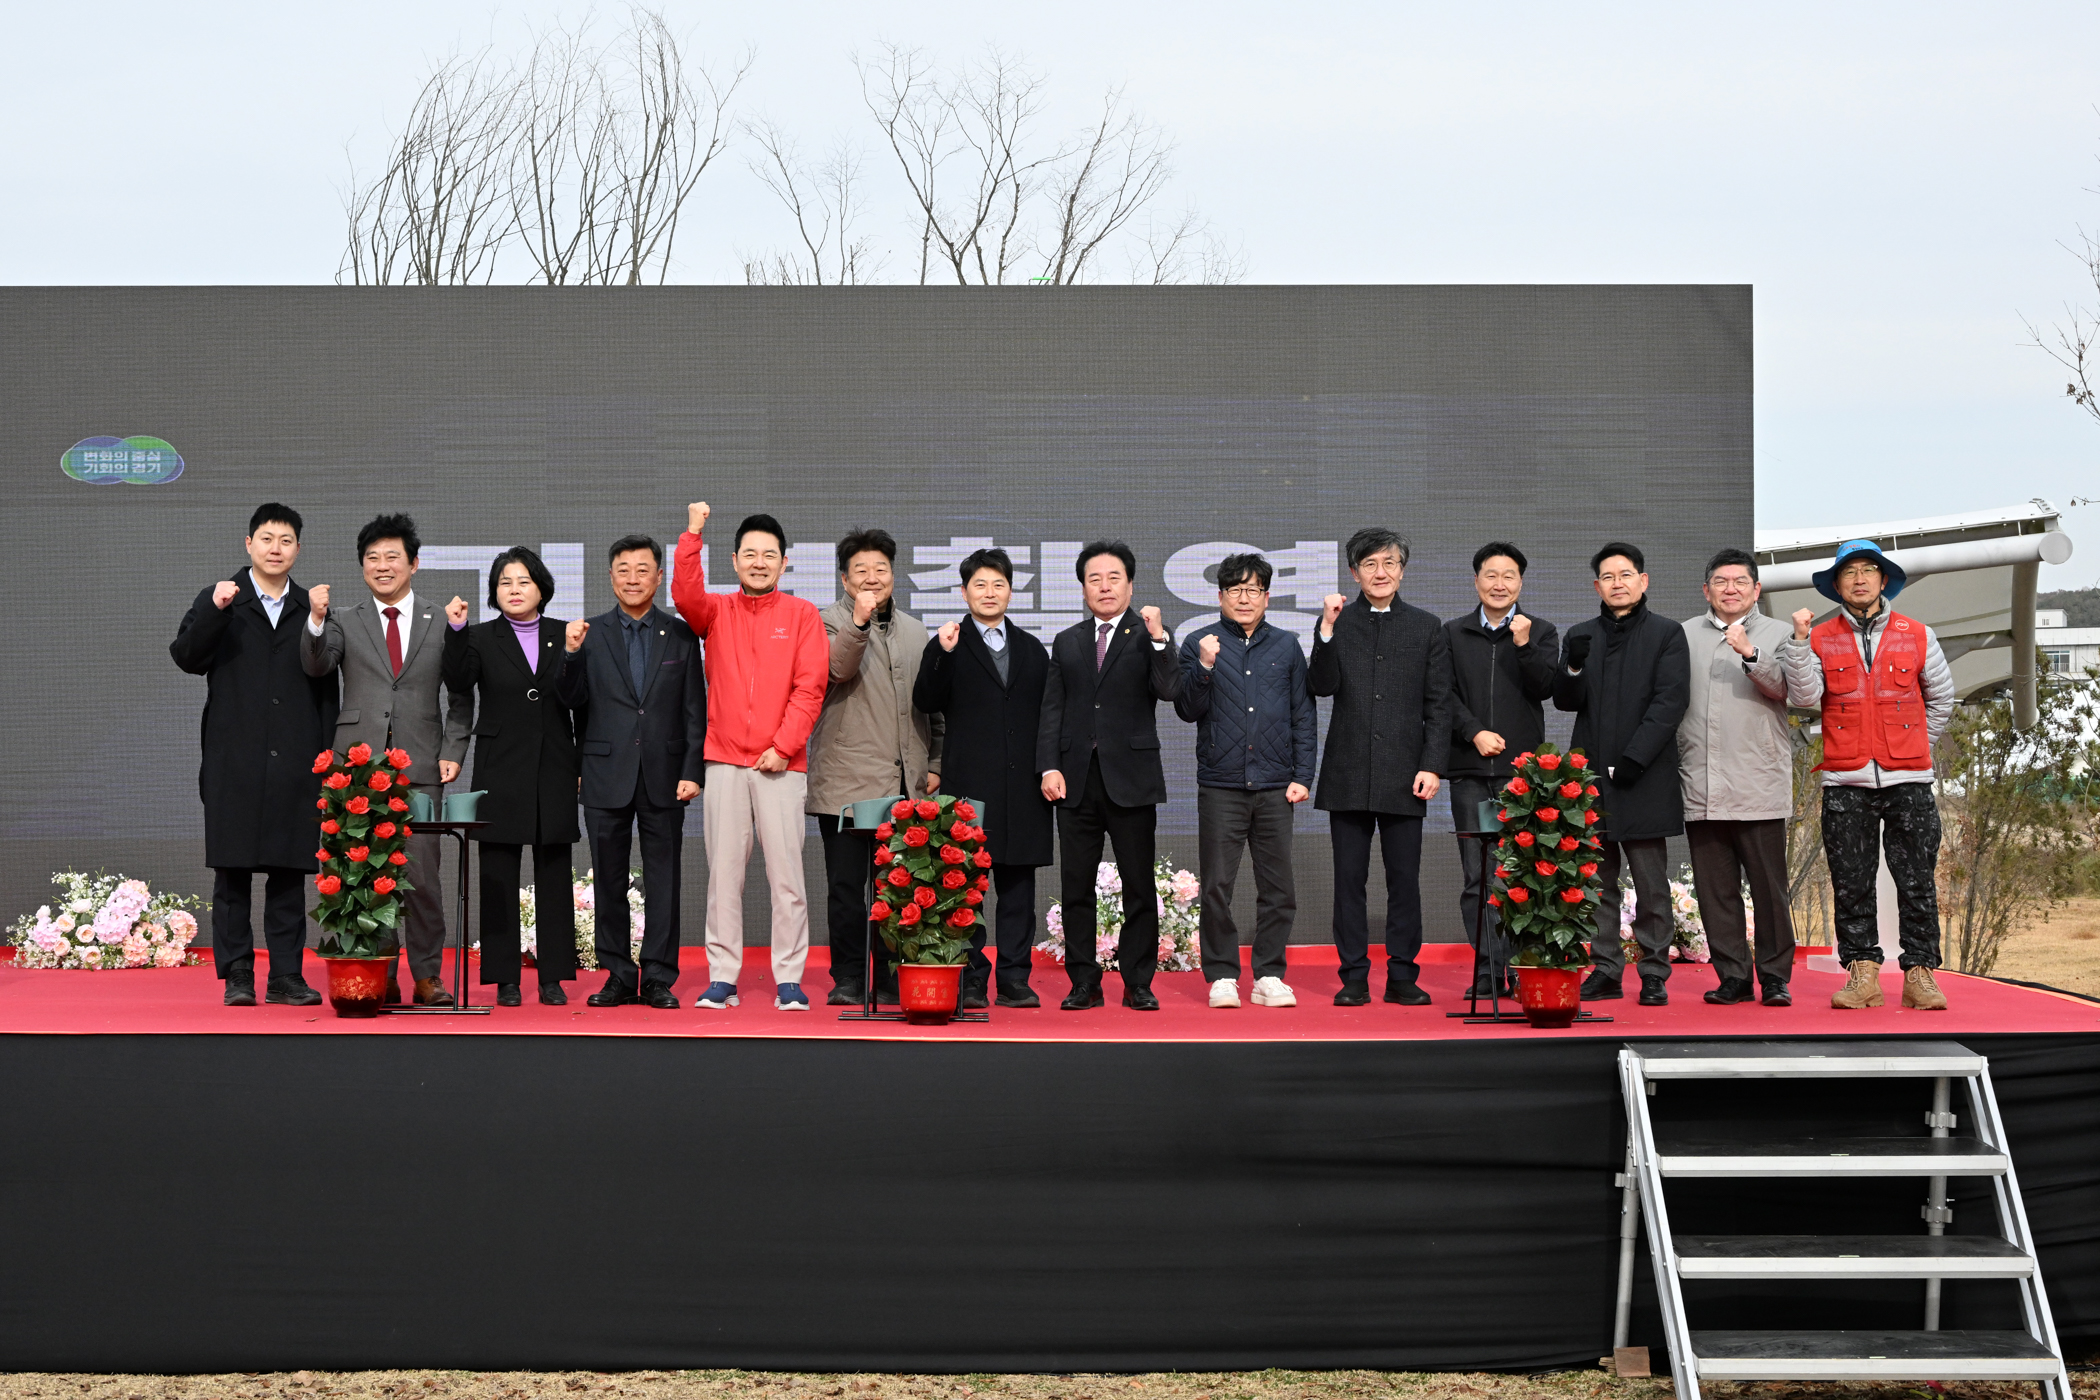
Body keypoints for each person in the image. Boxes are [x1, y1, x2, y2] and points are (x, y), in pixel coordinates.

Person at [301, 513, 473, 1007]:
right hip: (356, 768)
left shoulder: (442, 620)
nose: (382, 566)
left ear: (414, 564)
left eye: (392, 557)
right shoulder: (343, 620)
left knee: (420, 877)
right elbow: (316, 665)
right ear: (361, 568)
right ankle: (375, 969)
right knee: (360, 875)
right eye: (372, 558)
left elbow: (461, 697)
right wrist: (314, 619)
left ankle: (426, 976)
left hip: (421, 766)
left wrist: (453, 752)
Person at [170, 503, 338, 1007]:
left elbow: (327, 690)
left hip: (295, 761)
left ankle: (287, 975)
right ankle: (238, 973)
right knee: (232, 872)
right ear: (249, 544)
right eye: (266, 539)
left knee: (289, 873)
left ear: (298, 550)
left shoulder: (311, 606)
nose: (275, 549)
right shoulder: (222, 598)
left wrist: (325, 758)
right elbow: (186, 657)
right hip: (234, 759)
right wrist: (213, 610)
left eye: (286, 541)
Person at [1780, 539, 1956, 1010]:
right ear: (1836, 585)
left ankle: (1920, 975)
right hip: (1844, 782)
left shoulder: (1919, 634)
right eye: (1849, 572)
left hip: (1910, 782)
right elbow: (1802, 697)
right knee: (1851, 881)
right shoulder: (1817, 637)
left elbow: (1941, 700)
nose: (1859, 579)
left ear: (1884, 579)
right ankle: (1863, 975)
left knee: (1917, 879)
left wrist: (1913, 747)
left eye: (1868, 571)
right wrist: (1798, 644)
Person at [671, 503, 828, 1011]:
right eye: (750, 554)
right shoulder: (715, 612)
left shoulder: (802, 615)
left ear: (785, 563)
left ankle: (788, 979)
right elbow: (685, 593)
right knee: (723, 877)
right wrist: (693, 533)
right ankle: (722, 976)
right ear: (735, 561)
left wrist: (782, 748)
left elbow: (810, 688)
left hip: (782, 766)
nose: (759, 562)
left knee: (787, 878)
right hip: (723, 762)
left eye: (770, 555)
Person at [554, 535, 706, 1009]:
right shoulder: (589, 633)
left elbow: (694, 710)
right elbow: (570, 701)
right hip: (603, 773)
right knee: (608, 878)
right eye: (624, 569)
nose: (633, 577)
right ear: (611, 576)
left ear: (659, 577)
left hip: (665, 774)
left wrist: (692, 769)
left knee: (664, 880)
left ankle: (659, 975)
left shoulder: (681, 634)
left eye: (643, 569)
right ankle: (617, 974)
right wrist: (572, 654)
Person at [1309, 528, 1453, 1007]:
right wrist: (1326, 631)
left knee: (1403, 882)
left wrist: (1433, 766)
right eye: (1370, 564)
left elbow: (1439, 705)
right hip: (1347, 771)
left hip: (1404, 773)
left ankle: (1402, 976)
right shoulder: (1336, 622)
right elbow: (1322, 685)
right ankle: (1352, 976)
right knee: (1349, 882)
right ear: (1354, 572)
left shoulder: (1426, 626)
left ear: (1402, 570)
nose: (1380, 572)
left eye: (1389, 563)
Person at [1036, 540, 1182, 1011]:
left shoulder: (1148, 633)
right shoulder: (1068, 640)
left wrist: (1160, 638)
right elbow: (1051, 711)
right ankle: (1085, 982)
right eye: (1094, 579)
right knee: (1076, 886)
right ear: (1082, 588)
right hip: (1076, 779)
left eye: (1113, 578)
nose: (1104, 586)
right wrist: (1049, 765)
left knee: (1139, 885)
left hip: (1131, 776)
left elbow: (1168, 689)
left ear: (1131, 584)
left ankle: (1139, 981)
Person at [914, 548, 1056, 1008]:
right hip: (970, 787)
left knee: (1018, 891)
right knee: (966, 889)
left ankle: (1015, 978)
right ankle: (972, 978)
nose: (990, 593)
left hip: (1023, 791)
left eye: (998, 584)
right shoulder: (949, 643)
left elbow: (1048, 717)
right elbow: (925, 699)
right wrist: (942, 652)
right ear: (963, 592)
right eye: (980, 584)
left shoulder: (1033, 649)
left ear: (1011, 591)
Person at [807, 528, 943, 1008]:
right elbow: (835, 669)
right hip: (845, 784)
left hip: (907, 784)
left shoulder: (915, 629)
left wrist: (937, 763)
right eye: (860, 571)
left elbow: (932, 704)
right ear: (845, 580)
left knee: (899, 889)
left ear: (893, 574)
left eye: (880, 569)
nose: (871, 578)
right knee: (847, 889)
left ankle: (890, 975)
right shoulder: (822, 622)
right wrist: (859, 623)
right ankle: (846, 975)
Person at [441, 547, 582, 1008]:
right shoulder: (480, 636)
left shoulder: (567, 634)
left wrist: (576, 656)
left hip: (556, 763)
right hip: (500, 764)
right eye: (504, 583)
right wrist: (457, 631)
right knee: (498, 871)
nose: (514, 589)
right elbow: (459, 682)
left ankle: (553, 976)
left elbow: (581, 698)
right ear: (494, 592)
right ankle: (504, 975)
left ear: (541, 587)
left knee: (554, 870)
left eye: (523, 581)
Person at [1175, 553, 1316, 1009]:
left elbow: (1303, 716)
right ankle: (1221, 976)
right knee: (1217, 885)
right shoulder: (1198, 642)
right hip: (1221, 785)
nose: (1243, 597)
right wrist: (1206, 666)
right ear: (1219, 596)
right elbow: (1186, 709)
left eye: (1253, 589)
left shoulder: (1287, 646)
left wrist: (1302, 775)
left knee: (1278, 888)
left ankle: (1269, 975)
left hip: (1277, 786)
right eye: (1234, 589)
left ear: (1267, 596)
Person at [1552, 542, 1690, 1007]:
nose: (1618, 583)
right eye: (1608, 577)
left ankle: (1654, 972)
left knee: (1651, 885)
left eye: (1626, 574)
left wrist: (1634, 759)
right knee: (1598, 880)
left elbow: (1670, 702)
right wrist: (1571, 665)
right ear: (1597, 586)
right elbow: (1567, 702)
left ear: (1643, 581)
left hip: (1644, 776)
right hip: (1592, 778)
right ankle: (1606, 968)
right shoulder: (1581, 634)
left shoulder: (1667, 634)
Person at [1677, 548, 1803, 1007]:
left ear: (1756, 589)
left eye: (1740, 582)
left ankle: (1774, 977)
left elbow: (1792, 691)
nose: (1730, 589)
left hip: (1758, 782)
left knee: (1770, 890)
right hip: (1700, 782)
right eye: (1721, 582)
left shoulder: (1781, 634)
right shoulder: (1683, 634)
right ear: (1705, 589)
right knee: (1715, 891)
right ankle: (1732, 975)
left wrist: (1750, 653)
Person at [1443, 542, 1559, 999]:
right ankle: (1488, 971)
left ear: (1521, 583)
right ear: (1476, 581)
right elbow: (1441, 695)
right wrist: (1474, 732)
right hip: (1471, 773)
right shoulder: (1453, 633)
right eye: (1490, 575)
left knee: (1522, 874)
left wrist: (1524, 645)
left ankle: (1524, 964)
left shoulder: (1541, 631)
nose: (1499, 583)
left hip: (1522, 777)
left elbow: (1546, 687)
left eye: (1508, 575)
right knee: (1478, 875)